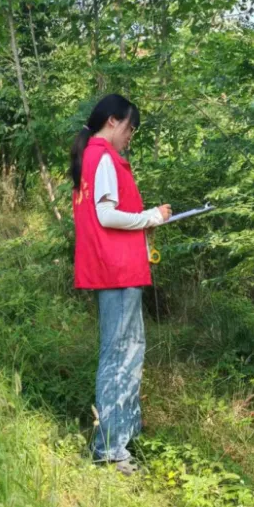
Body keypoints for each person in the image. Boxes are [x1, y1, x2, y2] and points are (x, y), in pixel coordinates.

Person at [71, 94, 171, 475]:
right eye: (130, 128)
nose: (130, 136)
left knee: (129, 352)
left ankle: (123, 438)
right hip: (116, 269)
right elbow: (107, 215)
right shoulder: (102, 157)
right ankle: (110, 450)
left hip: (119, 269)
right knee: (118, 358)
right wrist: (151, 218)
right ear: (113, 121)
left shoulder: (93, 156)